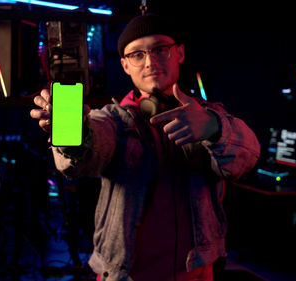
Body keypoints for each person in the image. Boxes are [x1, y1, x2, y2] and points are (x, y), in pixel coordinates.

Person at [30, 13, 260, 281]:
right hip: (124, 275)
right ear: (125, 66)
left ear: (180, 53)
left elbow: (249, 155)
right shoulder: (113, 119)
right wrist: (73, 134)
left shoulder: (207, 115)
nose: (150, 62)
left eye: (160, 49)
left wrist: (212, 127)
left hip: (195, 273)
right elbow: (89, 152)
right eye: (137, 54)